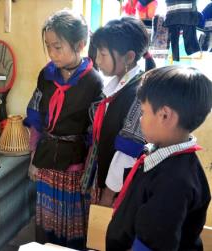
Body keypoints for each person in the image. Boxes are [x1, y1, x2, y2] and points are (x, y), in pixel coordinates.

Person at [106, 65, 212, 250]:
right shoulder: (159, 155)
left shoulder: (175, 181)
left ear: (165, 115)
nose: (140, 119)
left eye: (144, 112)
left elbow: (151, 245)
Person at [23, 9, 103, 249]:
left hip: (74, 166)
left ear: (79, 44)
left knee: (71, 225)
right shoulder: (46, 76)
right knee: (48, 225)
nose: (52, 53)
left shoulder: (93, 82)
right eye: (48, 47)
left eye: (58, 47)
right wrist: (34, 160)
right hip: (47, 160)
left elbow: (94, 134)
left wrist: (88, 176)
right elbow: (36, 118)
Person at [80, 16, 156, 207]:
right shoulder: (115, 89)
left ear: (129, 57)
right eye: (97, 52)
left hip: (119, 189)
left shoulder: (138, 94)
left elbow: (127, 152)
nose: (97, 59)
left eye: (103, 54)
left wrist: (108, 195)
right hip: (107, 179)